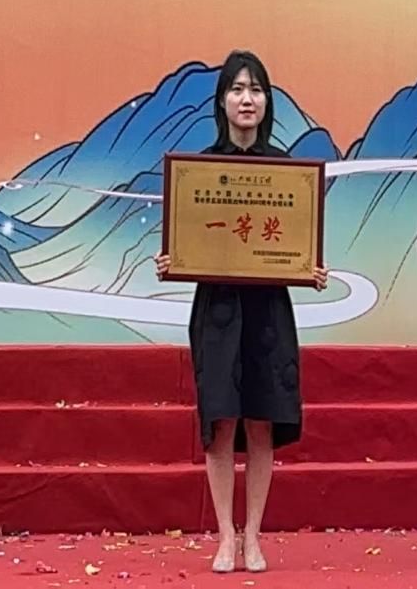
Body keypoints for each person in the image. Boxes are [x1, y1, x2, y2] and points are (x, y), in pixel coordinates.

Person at [154, 50, 329, 574]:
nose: (246, 99)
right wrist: (172, 259)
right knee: (221, 420)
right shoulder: (200, 171)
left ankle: (253, 535)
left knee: (260, 422)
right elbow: (186, 242)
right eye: (236, 89)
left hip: (268, 308)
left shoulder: (286, 172)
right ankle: (225, 536)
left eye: (255, 89)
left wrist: (310, 267)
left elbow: (298, 244)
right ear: (222, 102)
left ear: (267, 101)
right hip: (218, 309)